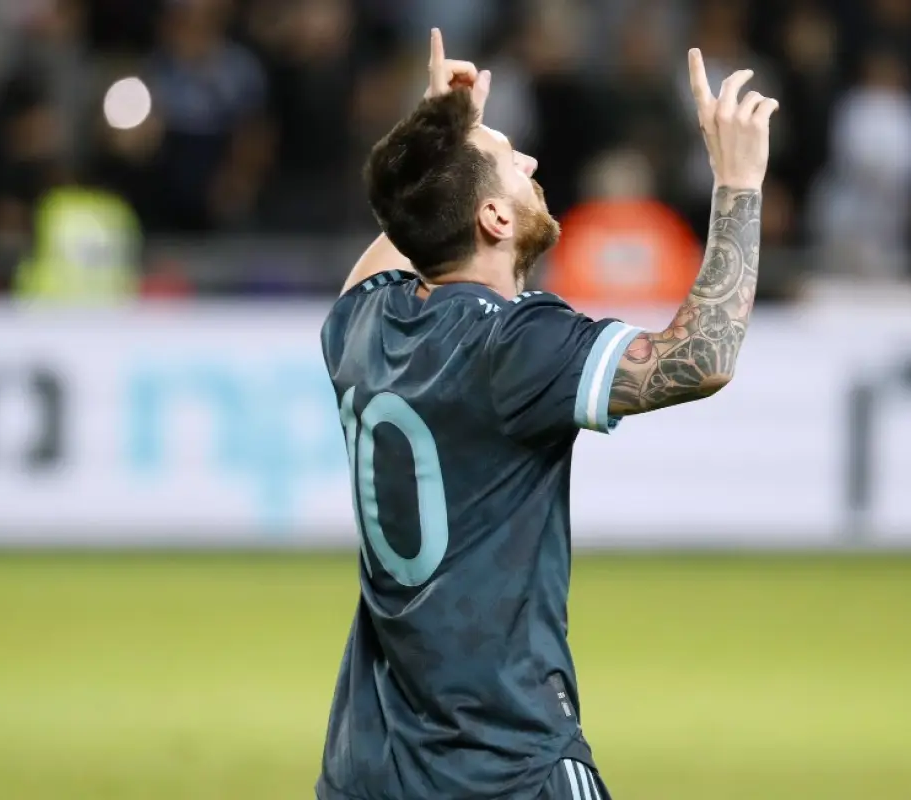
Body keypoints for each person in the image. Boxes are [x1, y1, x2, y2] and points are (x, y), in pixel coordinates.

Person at [316, 28, 776, 800]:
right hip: (503, 760)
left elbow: (407, 237)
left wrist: (440, 133)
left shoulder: (364, 326)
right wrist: (737, 185)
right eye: (511, 162)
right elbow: (702, 358)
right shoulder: (511, 343)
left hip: (372, 763)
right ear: (493, 218)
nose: (532, 164)